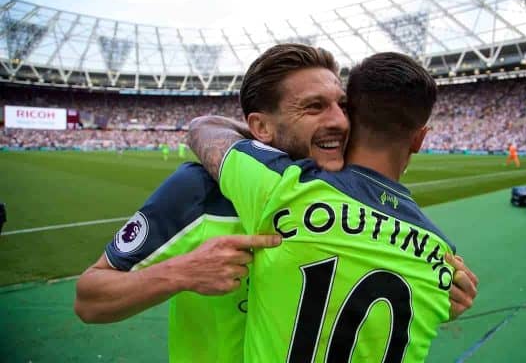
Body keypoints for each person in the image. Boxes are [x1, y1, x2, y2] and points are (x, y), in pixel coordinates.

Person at [75, 44, 477, 362]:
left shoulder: (353, 196)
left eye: (344, 105)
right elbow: (89, 298)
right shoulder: (202, 189)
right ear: (260, 127)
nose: (339, 120)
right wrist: (179, 273)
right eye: (314, 107)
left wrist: (441, 291)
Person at [188, 50, 475, 362]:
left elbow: (203, 128)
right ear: (419, 139)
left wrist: (275, 132)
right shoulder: (441, 257)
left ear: (350, 118)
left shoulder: (284, 188)